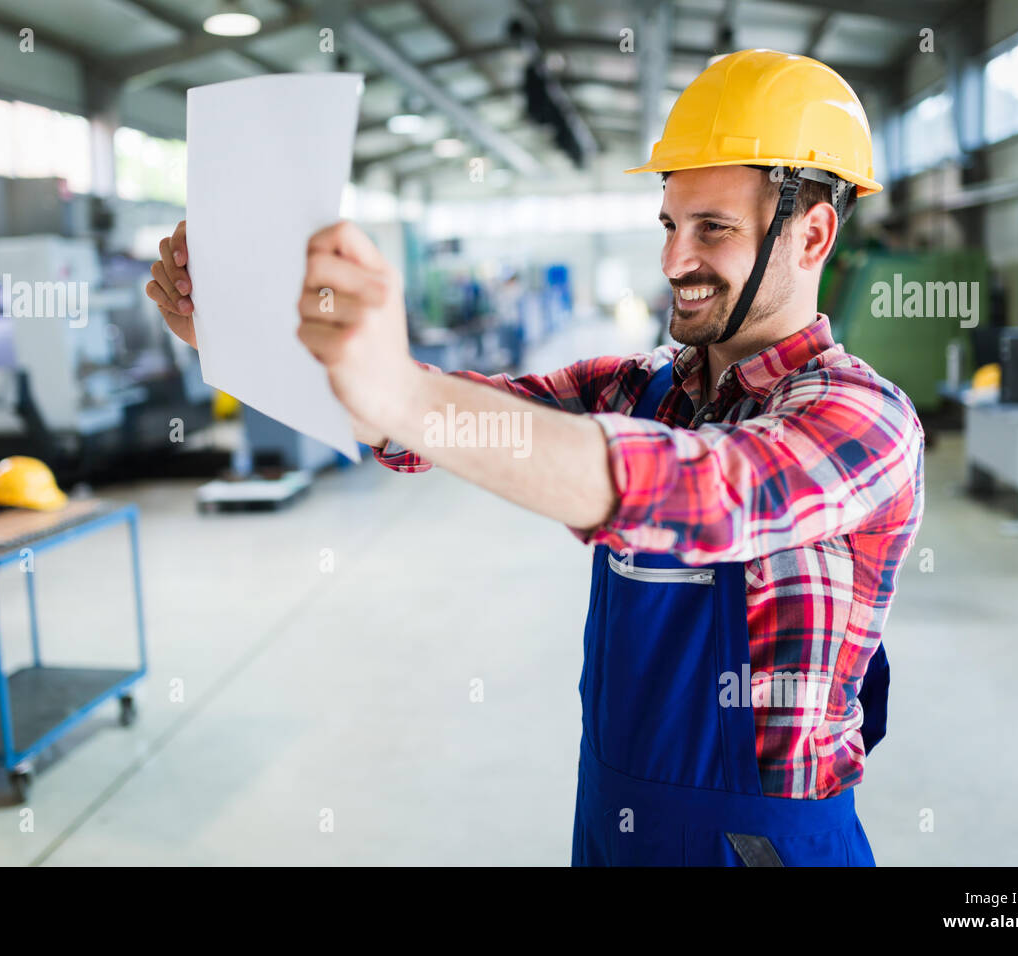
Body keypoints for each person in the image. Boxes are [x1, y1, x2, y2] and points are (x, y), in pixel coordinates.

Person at [145, 49, 925, 867]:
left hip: (763, 849)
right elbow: (433, 426)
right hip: (614, 824)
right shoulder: (641, 388)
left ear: (814, 234)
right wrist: (247, 337)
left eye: (713, 229)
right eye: (669, 225)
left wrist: (403, 391)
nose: (672, 262)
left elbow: (706, 492)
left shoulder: (863, 418)